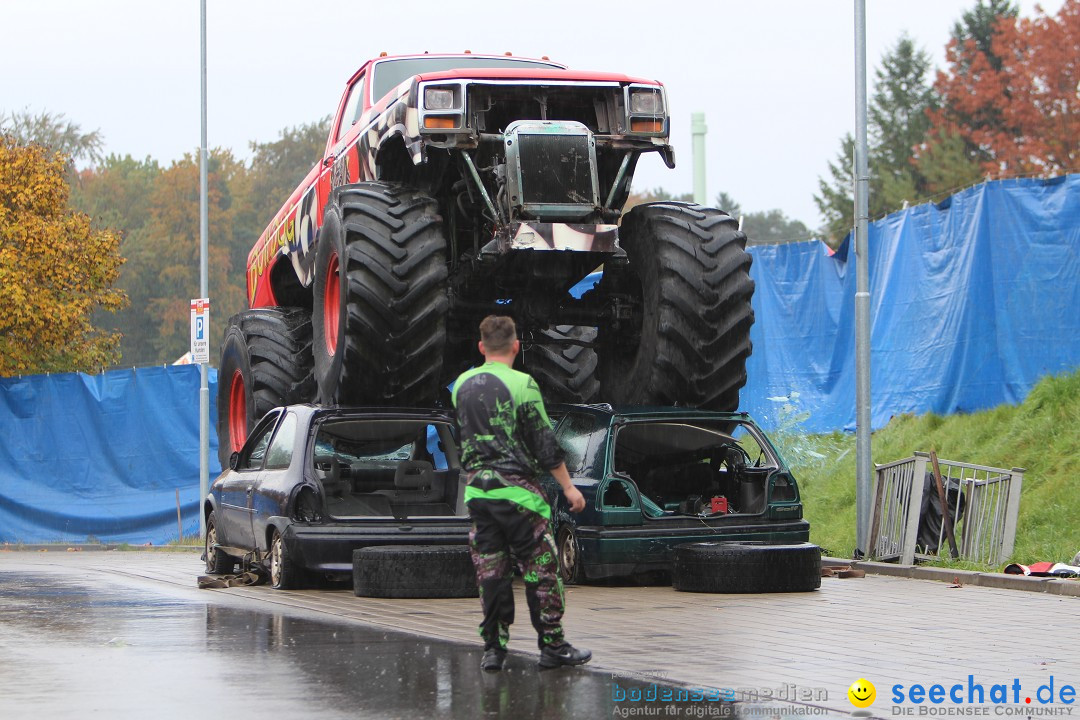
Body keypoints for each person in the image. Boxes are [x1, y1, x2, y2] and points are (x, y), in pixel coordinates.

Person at [452, 315, 591, 672]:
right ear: (516, 346)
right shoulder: (523, 384)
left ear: (482, 348)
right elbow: (544, 444)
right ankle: (552, 646)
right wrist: (568, 487)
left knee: (491, 573)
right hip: (519, 497)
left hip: (478, 496)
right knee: (541, 570)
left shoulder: (461, 386)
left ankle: (494, 650)